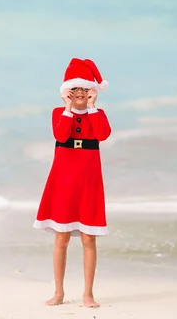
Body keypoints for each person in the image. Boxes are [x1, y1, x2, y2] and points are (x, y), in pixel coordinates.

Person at [33, 57, 112, 308]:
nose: (80, 94)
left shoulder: (97, 114)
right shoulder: (59, 113)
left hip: (88, 181)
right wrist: (68, 108)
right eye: (75, 89)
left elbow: (102, 134)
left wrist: (91, 107)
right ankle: (59, 292)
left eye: (85, 89)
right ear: (66, 92)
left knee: (89, 238)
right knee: (61, 237)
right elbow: (60, 135)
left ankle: (88, 293)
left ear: (92, 91)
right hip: (64, 179)